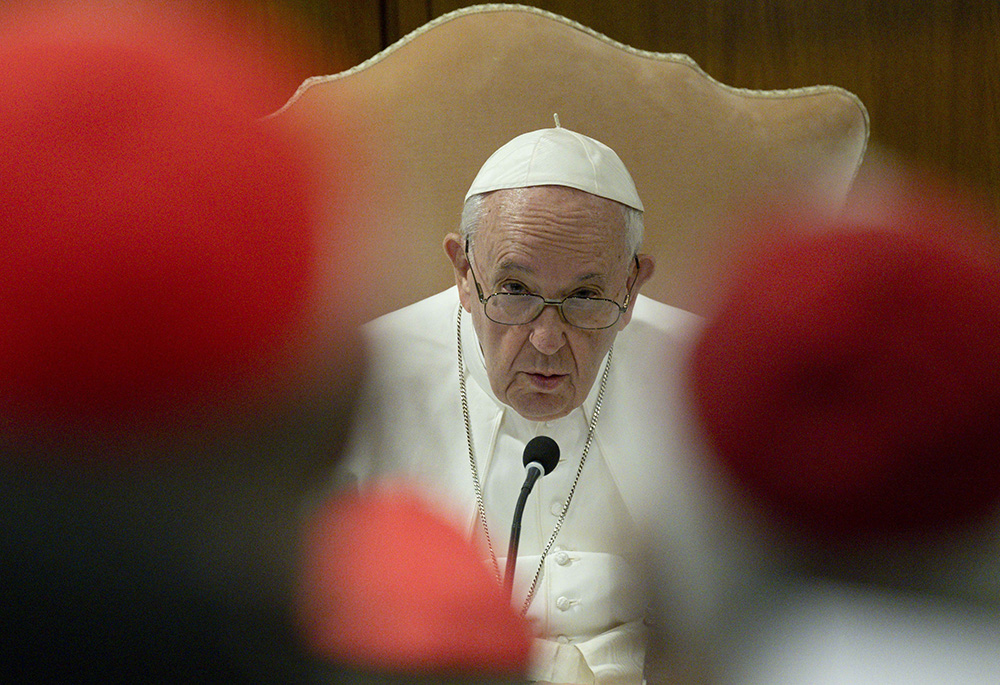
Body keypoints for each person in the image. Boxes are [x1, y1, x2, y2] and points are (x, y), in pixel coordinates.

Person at [336, 124, 715, 684]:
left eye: (586, 297)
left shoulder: (706, 376)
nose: (546, 339)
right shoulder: (365, 377)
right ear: (465, 272)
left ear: (632, 286)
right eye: (514, 289)